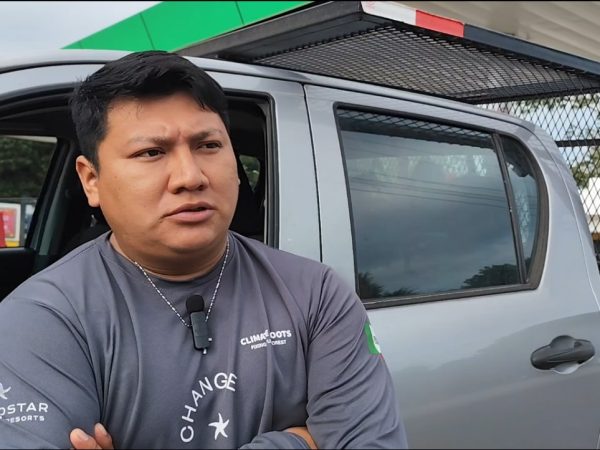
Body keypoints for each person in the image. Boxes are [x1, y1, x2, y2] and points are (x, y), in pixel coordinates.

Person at [0, 51, 407, 449]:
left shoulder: (316, 294)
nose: (190, 176)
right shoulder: (44, 318)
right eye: (151, 152)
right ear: (91, 180)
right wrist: (296, 441)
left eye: (208, 145)